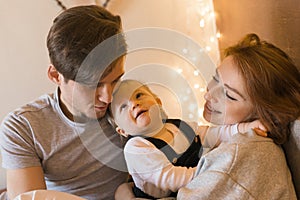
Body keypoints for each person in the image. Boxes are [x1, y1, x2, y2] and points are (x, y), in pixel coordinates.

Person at [0, 5, 127, 200]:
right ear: (55, 76)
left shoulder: (132, 101)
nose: (108, 98)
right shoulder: (24, 127)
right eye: (93, 85)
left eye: (115, 80)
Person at [176, 33, 300, 199]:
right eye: (215, 79)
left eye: (229, 95)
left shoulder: (243, 152)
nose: (208, 95)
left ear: (263, 112)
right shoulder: (229, 141)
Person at [111, 79, 267, 199]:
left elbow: (214, 134)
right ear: (122, 130)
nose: (134, 104)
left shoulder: (181, 126)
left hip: (196, 183)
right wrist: (211, 170)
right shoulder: (136, 147)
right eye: (123, 107)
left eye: (139, 95)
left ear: (158, 102)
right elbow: (169, 178)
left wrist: (246, 128)